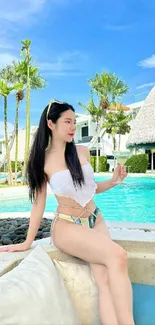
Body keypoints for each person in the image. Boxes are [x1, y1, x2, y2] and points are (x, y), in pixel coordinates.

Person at [0, 100, 135, 325]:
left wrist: (113, 182)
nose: (73, 127)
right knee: (118, 255)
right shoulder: (41, 160)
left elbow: (90, 190)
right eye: (67, 122)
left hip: (95, 219)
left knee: (103, 279)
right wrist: (27, 242)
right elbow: (38, 204)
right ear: (51, 124)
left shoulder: (81, 151)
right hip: (67, 225)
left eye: (74, 122)